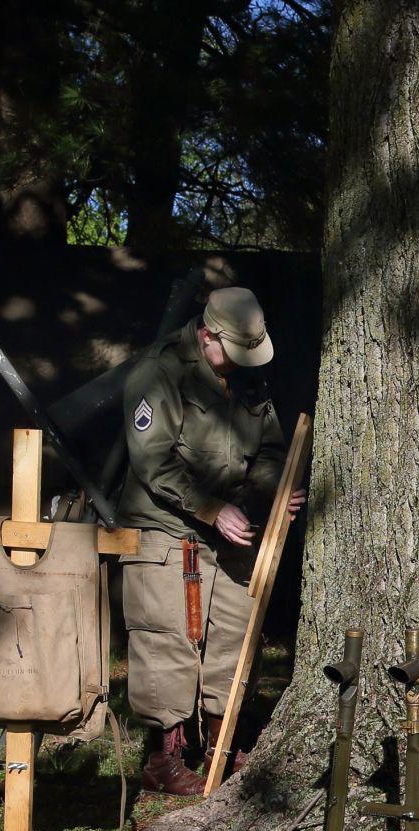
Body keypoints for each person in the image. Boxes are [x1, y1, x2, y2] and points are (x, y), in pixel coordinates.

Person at [118, 287, 304, 794]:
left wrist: (271, 493)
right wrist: (211, 508)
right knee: (166, 635)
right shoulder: (157, 374)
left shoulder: (247, 379)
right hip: (164, 523)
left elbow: (269, 449)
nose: (243, 364)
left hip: (231, 525)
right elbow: (153, 461)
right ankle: (164, 755)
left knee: (236, 628)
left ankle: (224, 742)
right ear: (206, 336)